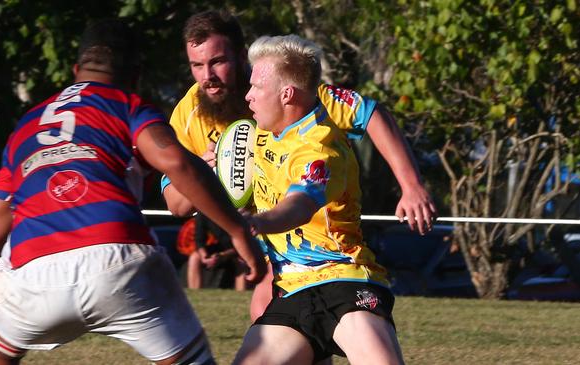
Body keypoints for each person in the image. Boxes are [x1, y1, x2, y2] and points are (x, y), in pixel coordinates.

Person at [0, 19, 265, 365]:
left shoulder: (25, 128)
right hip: (118, 258)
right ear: (136, 75)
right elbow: (176, 163)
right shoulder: (129, 105)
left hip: (32, 271)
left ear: (76, 69)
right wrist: (237, 231)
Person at [163, 9, 437, 323]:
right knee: (281, 323)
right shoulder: (188, 114)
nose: (206, 76)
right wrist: (199, 172)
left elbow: (369, 113)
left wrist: (411, 186)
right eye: (196, 65)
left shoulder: (288, 87)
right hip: (272, 241)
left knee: (271, 314)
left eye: (218, 62)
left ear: (241, 56)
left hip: (323, 236)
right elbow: (175, 203)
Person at [232, 34, 407, 365]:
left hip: (344, 282)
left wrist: (257, 222)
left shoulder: (320, 149)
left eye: (256, 87)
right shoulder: (260, 132)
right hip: (292, 292)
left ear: (287, 94)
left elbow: (298, 206)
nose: (248, 95)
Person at [187, 213, 249, 290]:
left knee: (241, 261)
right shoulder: (203, 213)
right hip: (220, 249)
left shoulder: (234, 213)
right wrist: (204, 256)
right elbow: (199, 240)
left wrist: (223, 255)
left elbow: (245, 243)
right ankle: (195, 293)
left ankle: (241, 294)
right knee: (194, 257)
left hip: (237, 250)